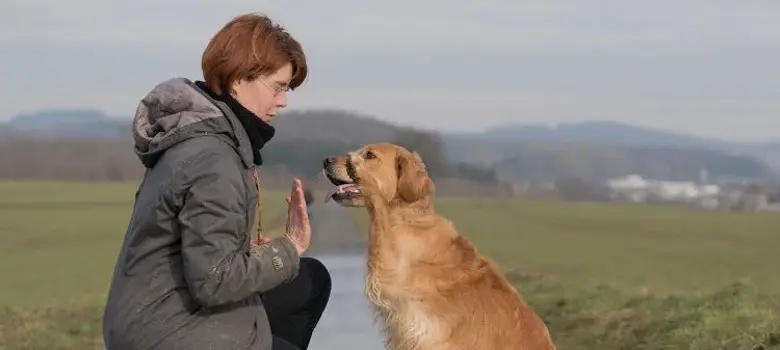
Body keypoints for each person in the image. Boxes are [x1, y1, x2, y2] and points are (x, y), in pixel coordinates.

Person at [102, 13, 332, 350]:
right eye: (278, 87)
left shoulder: (201, 138)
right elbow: (214, 281)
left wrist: (245, 251)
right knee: (295, 266)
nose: (283, 101)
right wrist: (291, 245)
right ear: (239, 79)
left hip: (147, 317)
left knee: (308, 280)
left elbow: (196, 246)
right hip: (166, 332)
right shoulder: (214, 159)